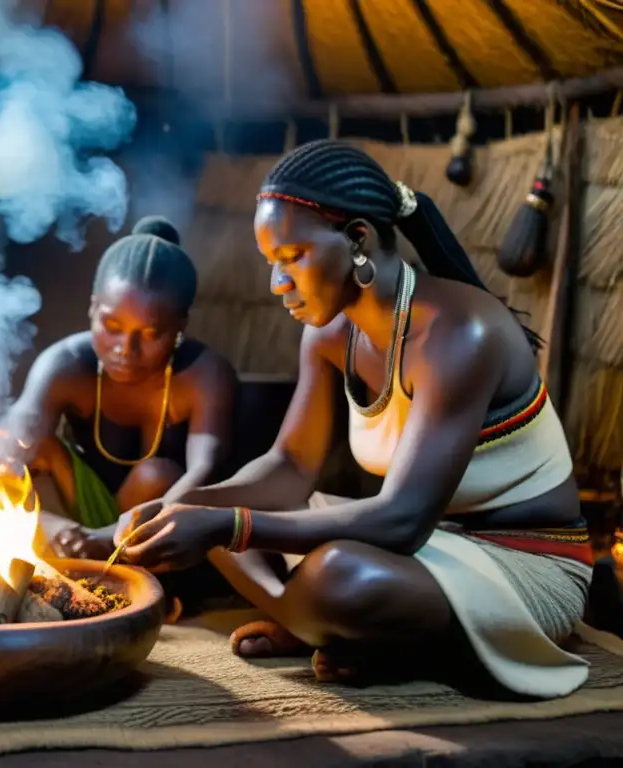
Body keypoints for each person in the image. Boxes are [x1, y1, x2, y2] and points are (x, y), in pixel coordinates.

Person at [113, 140, 594, 700]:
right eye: (272, 263)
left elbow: (401, 521)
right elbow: (291, 466)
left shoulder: (458, 334)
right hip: (432, 548)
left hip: (524, 563)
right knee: (203, 514)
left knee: (337, 573)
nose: (277, 284)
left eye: (291, 258)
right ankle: (329, 625)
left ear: (358, 240)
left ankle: (332, 625)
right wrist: (192, 509)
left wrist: (229, 525)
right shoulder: (329, 332)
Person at [0, 216, 237, 562]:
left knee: (155, 475)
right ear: (92, 308)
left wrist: (107, 538)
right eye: (111, 326)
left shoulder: (204, 374)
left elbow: (203, 474)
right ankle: (65, 541)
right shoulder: (67, 362)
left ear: (180, 326)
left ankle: (113, 567)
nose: (125, 348)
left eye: (150, 334)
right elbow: (21, 428)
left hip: (165, 526)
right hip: (82, 519)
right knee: (35, 448)